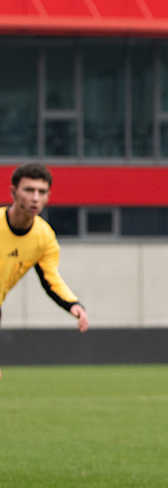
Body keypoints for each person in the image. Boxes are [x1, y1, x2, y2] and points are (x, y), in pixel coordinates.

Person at [1, 163, 89, 380]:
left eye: (42, 192)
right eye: (29, 190)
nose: (35, 197)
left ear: (49, 196)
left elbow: (51, 279)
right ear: (13, 192)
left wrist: (73, 304)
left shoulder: (44, 237)